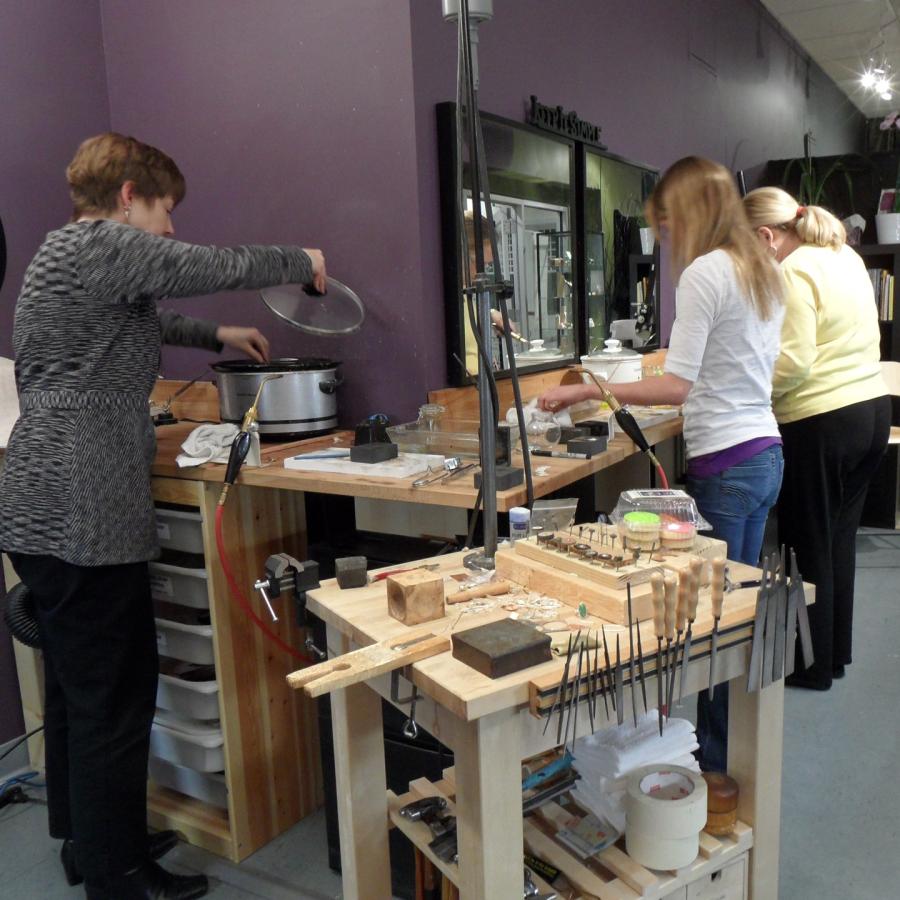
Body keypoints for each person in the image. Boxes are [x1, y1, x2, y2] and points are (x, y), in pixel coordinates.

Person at [0, 132, 327, 900]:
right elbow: (206, 266)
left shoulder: (68, 256)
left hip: (41, 494)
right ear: (125, 198)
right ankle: (117, 875)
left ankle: (89, 842)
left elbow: (140, 320)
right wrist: (299, 260)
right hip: (81, 504)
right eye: (165, 208)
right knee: (116, 692)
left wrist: (213, 335)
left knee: (83, 690)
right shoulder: (102, 245)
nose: (172, 227)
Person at [539, 156, 785, 772]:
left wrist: (588, 390)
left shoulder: (707, 272)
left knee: (704, 629)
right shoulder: (761, 267)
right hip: (765, 454)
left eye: (667, 225)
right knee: (735, 618)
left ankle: (703, 769)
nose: (664, 241)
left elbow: (678, 386)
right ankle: (727, 761)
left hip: (726, 464)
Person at [743, 187, 890, 691]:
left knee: (806, 544)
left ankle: (809, 667)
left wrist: (745, 385)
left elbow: (793, 363)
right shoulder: (842, 254)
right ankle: (833, 654)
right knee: (838, 539)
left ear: (766, 236)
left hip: (821, 419)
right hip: (871, 409)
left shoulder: (794, 271)